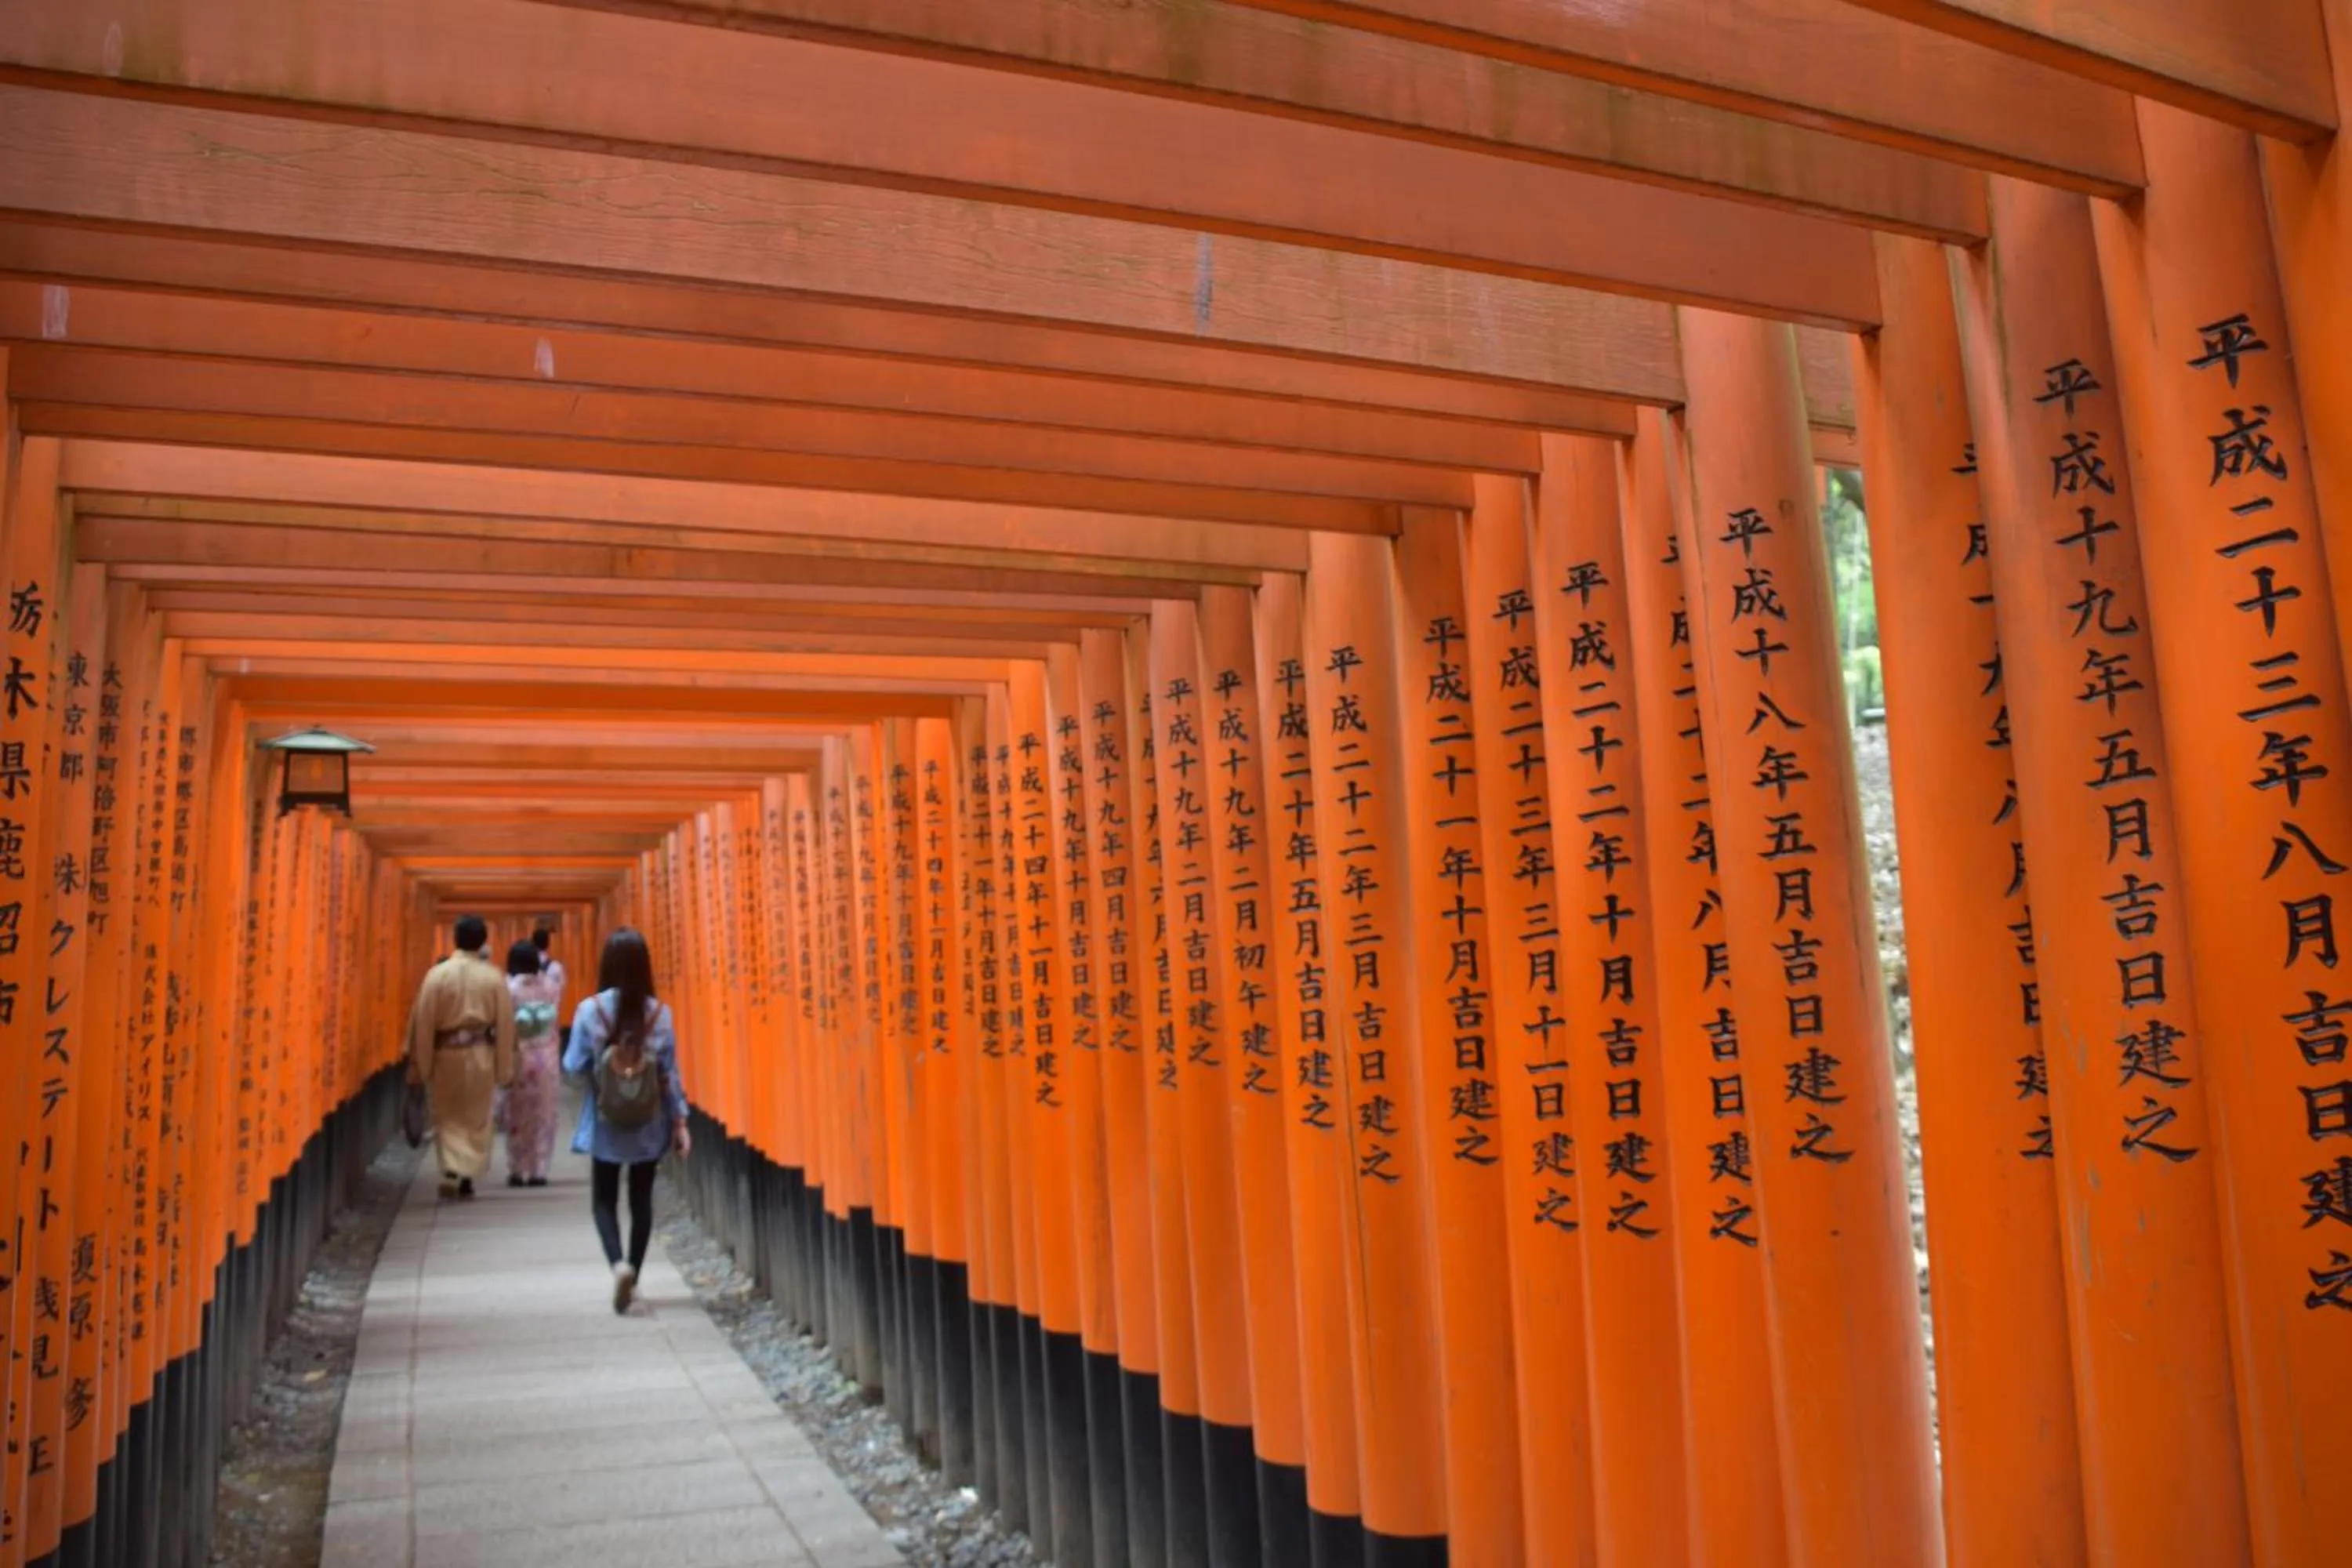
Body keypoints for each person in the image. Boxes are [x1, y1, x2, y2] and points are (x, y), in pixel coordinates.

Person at [562, 927, 691, 1312]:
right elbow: (670, 1075)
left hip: (606, 1119)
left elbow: (573, 1066)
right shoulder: (660, 1015)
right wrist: (680, 1123)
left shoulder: (590, 1011)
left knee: (603, 1198)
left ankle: (617, 1263)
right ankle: (634, 1272)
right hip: (649, 1121)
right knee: (641, 1199)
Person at [405, 915, 516, 1200]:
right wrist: (505, 1068)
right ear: (482, 942)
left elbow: (424, 1021)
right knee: (476, 1117)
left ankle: (452, 1170)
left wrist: (421, 1062)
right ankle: (466, 1174)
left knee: (448, 1115)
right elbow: (505, 1025)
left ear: (455, 939)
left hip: (446, 1055)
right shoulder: (493, 977)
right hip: (481, 1054)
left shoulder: (437, 976)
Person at [503, 940, 564, 1189]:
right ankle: (539, 1169)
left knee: (516, 1113)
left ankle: (518, 1169)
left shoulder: (509, 988)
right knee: (544, 1113)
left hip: (520, 1054)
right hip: (547, 1053)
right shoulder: (551, 987)